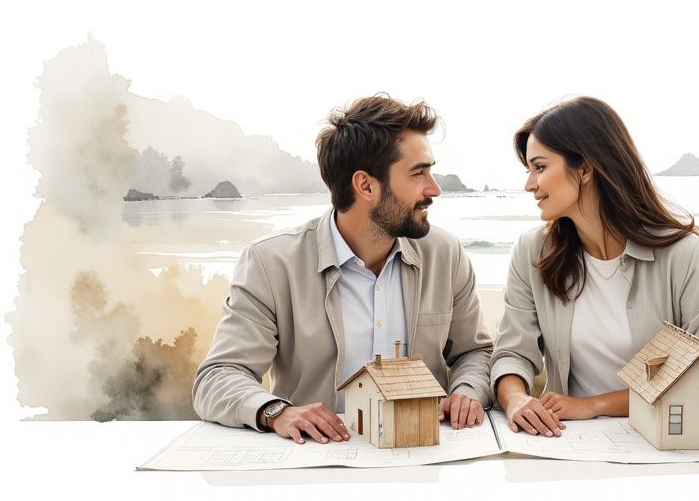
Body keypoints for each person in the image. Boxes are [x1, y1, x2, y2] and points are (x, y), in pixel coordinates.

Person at [193, 94, 493, 444]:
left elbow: (475, 352)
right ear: (365, 185)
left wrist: (468, 390)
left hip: (424, 456)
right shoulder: (270, 263)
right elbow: (218, 376)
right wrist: (276, 411)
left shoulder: (446, 254)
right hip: (318, 461)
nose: (434, 188)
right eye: (418, 173)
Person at [490, 96, 699, 437]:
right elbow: (512, 353)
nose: (529, 184)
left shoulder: (684, 255)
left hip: (661, 444)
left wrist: (595, 405)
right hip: (569, 442)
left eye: (540, 167)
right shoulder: (532, 252)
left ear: (586, 169)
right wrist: (516, 399)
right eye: (529, 170)